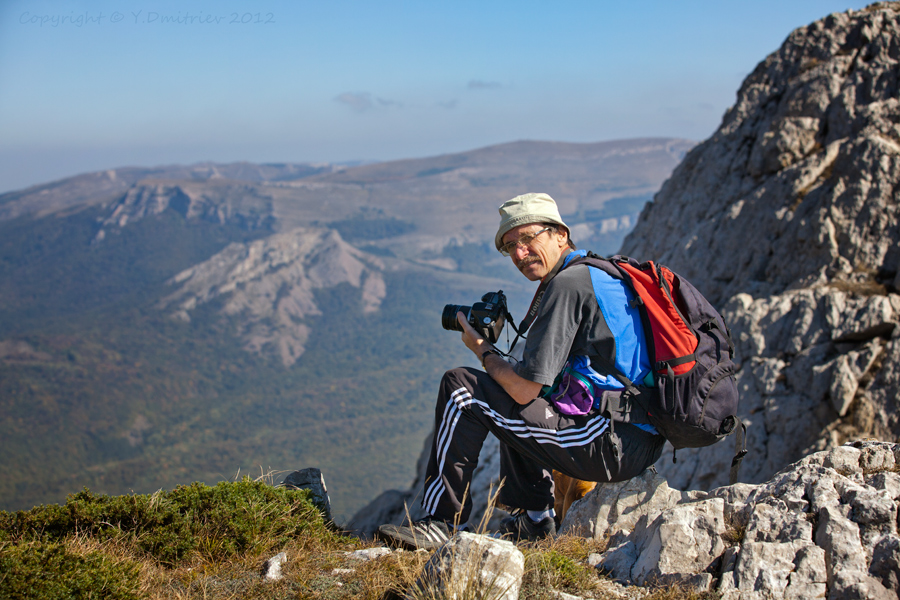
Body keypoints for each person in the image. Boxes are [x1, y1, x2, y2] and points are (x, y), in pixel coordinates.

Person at [378, 192, 666, 550]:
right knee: (509, 385)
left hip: (612, 442)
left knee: (462, 387)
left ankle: (440, 522)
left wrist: (482, 350)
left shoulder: (567, 285)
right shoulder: (594, 272)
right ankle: (534, 521)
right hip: (632, 434)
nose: (519, 253)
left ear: (561, 234)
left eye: (528, 238)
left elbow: (524, 391)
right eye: (509, 246)